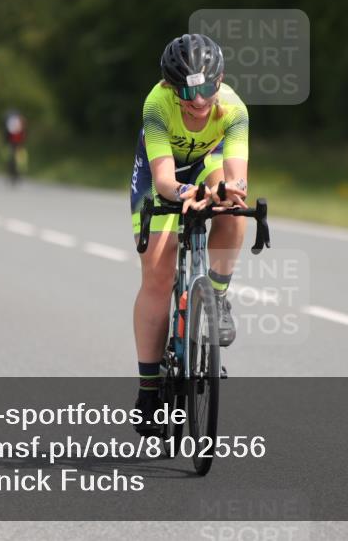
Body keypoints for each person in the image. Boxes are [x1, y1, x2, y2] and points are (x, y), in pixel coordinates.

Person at [130, 33, 249, 435]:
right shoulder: (157, 104)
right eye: (186, 90)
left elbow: (236, 179)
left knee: (235, 210)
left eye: (206, 88)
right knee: (159, 275)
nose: (198, 99)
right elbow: (164, 180)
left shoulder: (233, 109)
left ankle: (215, 295)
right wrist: (188, 194)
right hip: (159, 176)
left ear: (221, 80)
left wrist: (222, 193)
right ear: (169, 86)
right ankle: (148, 388)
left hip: (206, 165)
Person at [2, 109, 28, 182]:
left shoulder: (10, 121)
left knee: (11, 157)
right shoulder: (21, 120)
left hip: (12, 142)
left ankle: (12, 170)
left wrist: (5, 141)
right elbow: (24, 131)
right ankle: (19, 171)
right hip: (18, 142)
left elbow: (6, 133)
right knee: (19, 157)